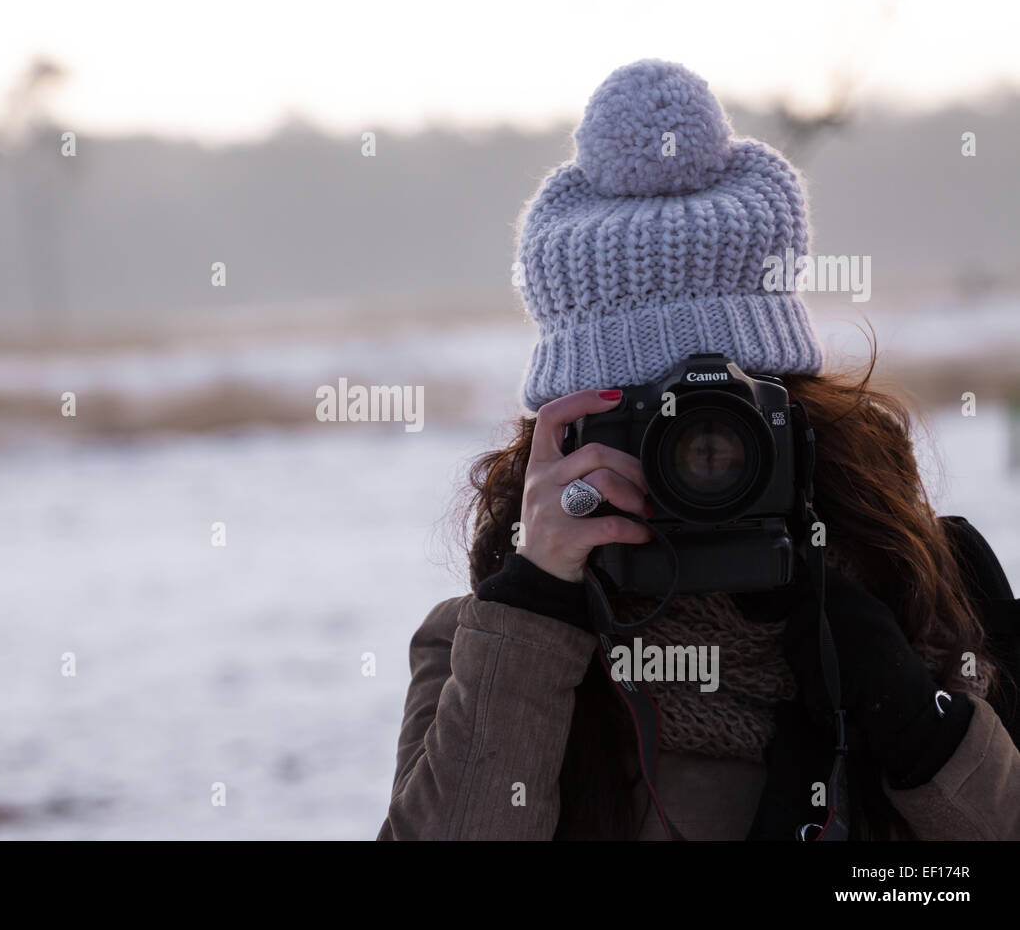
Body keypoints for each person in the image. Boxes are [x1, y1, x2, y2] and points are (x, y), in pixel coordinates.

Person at [376, 60, 1020, 840]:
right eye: (643, 414)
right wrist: (537, 608)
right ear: (567, 432)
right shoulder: (487, 645)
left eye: (730, 412)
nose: (697, 451)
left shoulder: (922, 588)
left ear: (794, 409)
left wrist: (922, 730)